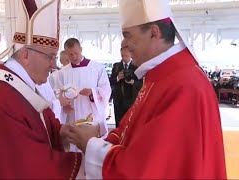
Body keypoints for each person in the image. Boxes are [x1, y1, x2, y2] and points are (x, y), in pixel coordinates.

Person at [65, 0, 227, 178]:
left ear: (153, 33)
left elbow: (145, 168)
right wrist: (99, 139)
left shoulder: (183, 84)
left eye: (127, 35)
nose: (124, 44)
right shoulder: (162, 76)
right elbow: (131, 133)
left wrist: (91, 144)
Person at [0, 0, 83, 179]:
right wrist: (88, 161)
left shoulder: (18, 85)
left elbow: (41, 120)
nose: (54, 65)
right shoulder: (2, 96)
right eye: (50, 57)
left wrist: (61, 133)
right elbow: (27, 167)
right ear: (25, 55)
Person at [56, 38, 112, 151]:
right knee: (74, 149)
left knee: (92, 148)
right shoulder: (62, 72)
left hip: (92, 115)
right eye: (70, 54)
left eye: (76, 53)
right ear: (66, 53)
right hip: (72, 114)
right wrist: (63, 103)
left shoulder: (96, 67)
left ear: (81, 49)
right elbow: (57, 91)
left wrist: (92, 92)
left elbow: (106, 89)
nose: (74, 57)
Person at [110, 44, 142, 127]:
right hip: (118, 100)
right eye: (122, 56)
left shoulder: (136, 66)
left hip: (131, 99)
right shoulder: (116, 66)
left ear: (130, 54)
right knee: (119, 123)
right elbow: (110, 81)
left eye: (126, 55)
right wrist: (118, 77)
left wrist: (132, 82)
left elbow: (141, 83)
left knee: (131, 124)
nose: (124, 58)